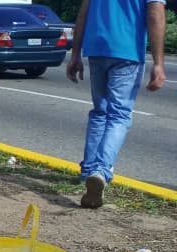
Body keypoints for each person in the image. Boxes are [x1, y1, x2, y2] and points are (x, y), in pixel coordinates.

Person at [67, 0, 167, 209]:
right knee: (119, 115)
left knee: (100, 112)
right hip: (127, 50)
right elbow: (155, 14)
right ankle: (101, 171)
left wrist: (75, 54)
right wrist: (158, 63)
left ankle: (88, 172)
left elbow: (83, 15)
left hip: (97, 48)